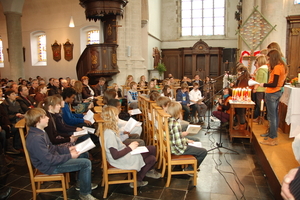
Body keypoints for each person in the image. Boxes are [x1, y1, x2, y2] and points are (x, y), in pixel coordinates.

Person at [24, 108, 99, 200]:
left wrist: (68, 149)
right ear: (37, 121)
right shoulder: (36, 139)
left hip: (53, 159)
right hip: (49, 166)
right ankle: (84, 194)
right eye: (44, 117)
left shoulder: (40, 131)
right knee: (86, 163)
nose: (48, 118)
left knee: (84, 154)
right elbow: (48, 160)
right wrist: (69, 155)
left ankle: (82, 183)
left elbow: (52, 147)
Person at [101, 106, 161, 188]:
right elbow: (115, 155)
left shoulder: (107, 129)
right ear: (111, 118)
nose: (117, 118)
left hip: (123, 154)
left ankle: (145, 172)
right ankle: (138, 179)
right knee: (152, 158)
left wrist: (129, 146)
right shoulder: (109, 133)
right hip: (120, 159)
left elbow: (117, 147)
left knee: (152, 150)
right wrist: (130, 148)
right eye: (116, 116)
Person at [166, 101, 207, 173]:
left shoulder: (168, 120)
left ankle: (192, 164)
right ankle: (190, 169)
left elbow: (175, 137)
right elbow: (179, 145)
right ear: (178, 112)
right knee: (203, 152)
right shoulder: (176, 124)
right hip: (177, 150)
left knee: (195, 142)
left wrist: (186, 140)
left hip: (172, 146)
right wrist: (187, 144)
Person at [259, 49, 287, 146]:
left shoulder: (277, 68)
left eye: (269, 58)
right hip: (278, 92)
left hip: (272, 93)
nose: (268, 60)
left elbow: (274, 83)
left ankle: (272, 138)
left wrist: (264, 84)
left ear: (273, 58)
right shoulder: (283, 66)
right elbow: (281, 82)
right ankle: (271, 133)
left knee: (272, 116)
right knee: (273, 115)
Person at [233, 64, 250, 130]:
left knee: (241, 112)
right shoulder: (240, 78)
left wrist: (235, 86)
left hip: (241, 98)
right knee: (238, 111)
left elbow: (241, 87)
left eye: (239, 71)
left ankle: (242, 125)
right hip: (239, 97)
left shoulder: (244, 79)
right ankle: (239, 124)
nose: (238, 73)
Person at [252, 55, 268, 121]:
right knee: (262, 105)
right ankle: (260, 117)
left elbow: (259, 80)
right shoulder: (267, 69)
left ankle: (257, 117)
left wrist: (255, 88)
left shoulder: (260, 70)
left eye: (257, 62)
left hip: (260, 89)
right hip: (265, 89)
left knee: (259, 104)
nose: (256, 63)